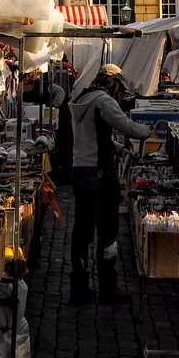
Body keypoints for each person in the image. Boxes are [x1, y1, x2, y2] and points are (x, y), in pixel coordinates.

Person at [68, 63, 152, 305]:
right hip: (100, 176)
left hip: (80, 171)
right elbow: (127, 127)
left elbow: (91, 138)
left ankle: (79, 286)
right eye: (118, 86)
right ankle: (108, 287)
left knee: (81, 231)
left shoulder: (81, 98)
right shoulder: (104, 102)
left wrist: (118, 149)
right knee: (108, 233)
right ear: (111, 81)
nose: (118, 92)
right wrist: (147, 129)